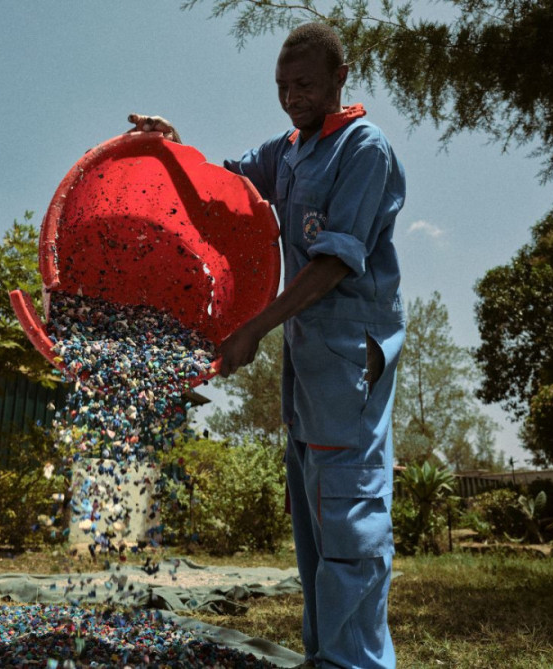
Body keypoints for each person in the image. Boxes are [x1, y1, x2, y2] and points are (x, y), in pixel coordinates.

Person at [130, 21, 405, 669]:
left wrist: (255, 326)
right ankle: (325, 655)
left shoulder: (365, 150)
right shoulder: (288, 151)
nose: (291, 97)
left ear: (341, 78)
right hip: (306, 373)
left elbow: (336, 261)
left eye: (305, 85)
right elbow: (224, 188)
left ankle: (355, 661)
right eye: (282, 86)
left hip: (348, 364)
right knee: (313, 525)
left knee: (348, 517)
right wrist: (168, 145)